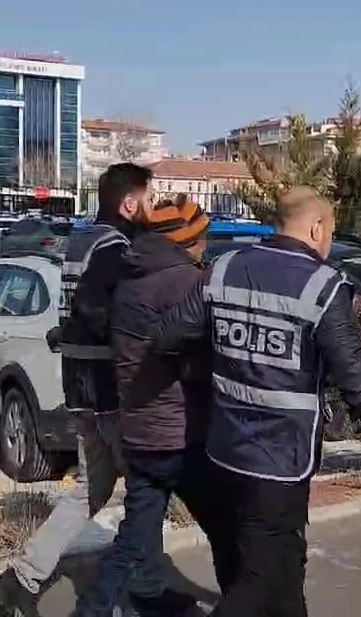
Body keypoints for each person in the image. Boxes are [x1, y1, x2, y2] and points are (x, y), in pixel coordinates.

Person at [150, 186, 361, 617]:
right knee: (258, 579)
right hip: (279, 460)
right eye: (328, 230)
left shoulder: (224, 268)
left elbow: (167, 337)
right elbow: (356, 381)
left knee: (284, 565)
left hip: (225, 450)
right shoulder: (324, 286)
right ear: (316, 228)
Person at [0, 163, 190, 617]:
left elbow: (77, 312)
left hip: (79, 384)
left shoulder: (82, 238)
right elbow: (98, 310)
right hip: (109, 389)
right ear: (129, 203)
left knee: (90, 490)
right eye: (151, 198)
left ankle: (20, 578)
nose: (154, 208)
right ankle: (135, 591)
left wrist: (71, 333)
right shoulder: (118, 248)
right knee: (146, 490)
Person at [77, 195, 239, 617]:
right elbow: (203, 356)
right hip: (180, 433)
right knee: (226, 527)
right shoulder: (188, 283)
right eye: (203, 237)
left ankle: (94, 609)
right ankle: (244, 604)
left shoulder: (131, 277)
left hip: (140, 429)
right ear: (186, 240)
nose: (207, 245)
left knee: (134, 537)